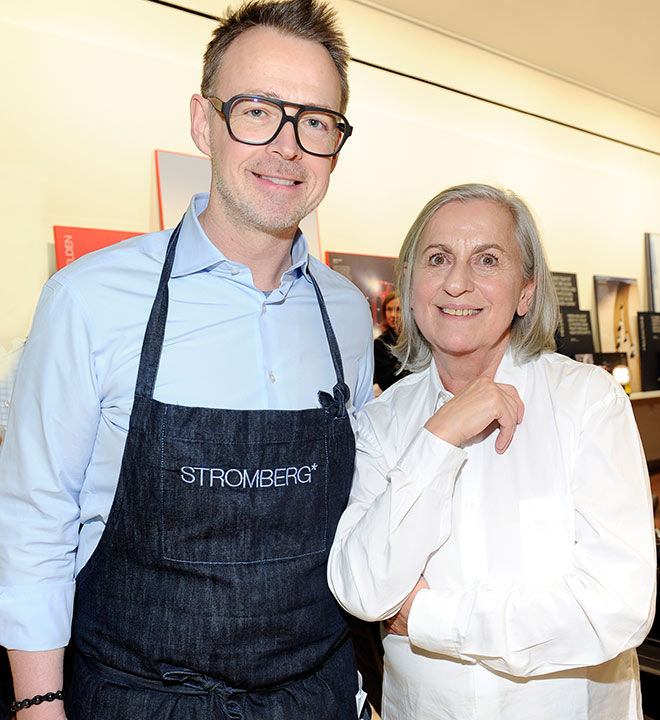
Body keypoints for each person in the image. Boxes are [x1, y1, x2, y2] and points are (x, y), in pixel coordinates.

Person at [0, 1, 375, 718]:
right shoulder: (90, 300)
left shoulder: (346, 314)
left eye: (316, 122)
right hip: (137, 700)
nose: (287, 146)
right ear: (204, 121)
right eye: (258, 110)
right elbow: (33, 519)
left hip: (313, 697)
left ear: (335, 144)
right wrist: (40, 705)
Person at [328, 183, 656, 719]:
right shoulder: (382, 423)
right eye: (438, 259)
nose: (457, 283)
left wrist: (430, 617)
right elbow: (362, 589)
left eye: (487, 260)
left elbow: (616, 607)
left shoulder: (587, 403)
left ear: (526, 291)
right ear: (410, 284)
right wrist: (440, 436)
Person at [373, 291, 409, 393]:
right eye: (389, 309)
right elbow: (385, 382)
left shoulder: (419, 339)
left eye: (398, 309)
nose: (393, 315)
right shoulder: (380, 343)